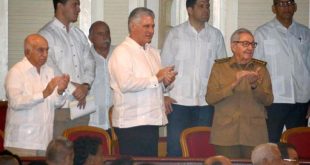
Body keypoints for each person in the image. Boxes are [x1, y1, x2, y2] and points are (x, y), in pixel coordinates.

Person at [160, 0, 227, 156]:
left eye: (208, 7)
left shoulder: (215, 35)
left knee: (202, 150)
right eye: (201, 6)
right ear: (189, 10)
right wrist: (163, 96)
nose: (206, 10)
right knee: (175, 150)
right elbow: (164, 67)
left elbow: (222, 69)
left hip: (206, 104)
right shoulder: (175, 34)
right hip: (178, 103)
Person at [108, 7, 177, 156]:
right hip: (131, 123)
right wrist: (157, 77)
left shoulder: (153, 53)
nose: (151, 30)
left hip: (151, 120)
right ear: (133, 26)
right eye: (146, 26)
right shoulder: (122, 52)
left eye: (152, 26)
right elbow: (125, 84)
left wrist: (165, 82)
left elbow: (156, 85)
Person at [206, 28, 273, 158]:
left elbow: (269, 100)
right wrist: (233, 84)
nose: (250, 48)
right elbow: (210, 98)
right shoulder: (219, 68)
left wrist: (255, 85)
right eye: (245, 44)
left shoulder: (261, 69)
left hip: (254, 134)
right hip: (225, 135)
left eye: (253, 44)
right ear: (233, 46)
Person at [254, 0, 310, 143]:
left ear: (295, 7)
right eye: (281, 4)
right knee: (270, 145)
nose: (286, 7)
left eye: (289, 3)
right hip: (274, 100)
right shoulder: (263, 33)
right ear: (274, 8)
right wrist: (259, 102)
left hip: (301, 99)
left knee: (298, 145)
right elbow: (257, 70)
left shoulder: (305, 33)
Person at [4, 34, 70, 156]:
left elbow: (56, 103)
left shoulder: (48, 71)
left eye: (47, 50)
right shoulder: (16, 72)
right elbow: (15, 102)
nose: (45, 54)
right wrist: (44, 93)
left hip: (45, 141)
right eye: (41, 50)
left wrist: (60, 91)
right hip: (22, 143)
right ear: (27, 52)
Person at [39, 0, 95, 138]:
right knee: (60, 156)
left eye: (78, 4)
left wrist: (85, 86)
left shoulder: (79, 34)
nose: (78, 9)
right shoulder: (46, 34)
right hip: (60, 109)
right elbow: (49, 67)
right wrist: (73, 89)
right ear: (60, 6)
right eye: (74, 4)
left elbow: (90, 62)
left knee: (80, 155)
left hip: (81, 108)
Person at [88, 21, 114, 131]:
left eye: (107, 33)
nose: (105, 37)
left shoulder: (119, 54)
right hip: (93, 121)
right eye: (100, 34)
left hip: (117, 121)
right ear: (91, 37)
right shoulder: (85, 58)